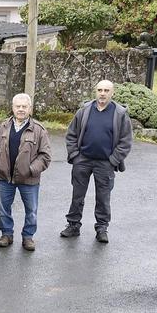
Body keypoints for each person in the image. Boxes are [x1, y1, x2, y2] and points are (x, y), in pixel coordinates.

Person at [62, 80, 133, 243]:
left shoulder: (119, 114)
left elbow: (126, 141)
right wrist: (75, 155)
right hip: (83, 160)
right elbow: (71, 134)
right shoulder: (85, 110)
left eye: (106, 90)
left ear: (112, 93)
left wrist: (113, 160)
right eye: (100, 90)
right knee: (77, 196)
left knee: (103, 197)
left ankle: (101, 228)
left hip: (105, 163)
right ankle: (73, 225)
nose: (102, 93)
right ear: (95, 91)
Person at [0, 93, 52, 251]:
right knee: (4, 208)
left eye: (24, 106)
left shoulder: (39, 130)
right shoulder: (3, 127)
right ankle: (6, 234)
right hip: (5, 177)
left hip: (29, 180)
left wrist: (31, 170)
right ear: (12, 108)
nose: (21, 109)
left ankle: (28, 236)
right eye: (18, 106)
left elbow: (45, 156)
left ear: (30, 109)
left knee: (31, 210)